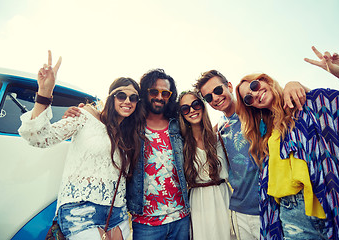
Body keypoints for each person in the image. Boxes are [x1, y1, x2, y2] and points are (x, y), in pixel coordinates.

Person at [18, 51, 145, 239]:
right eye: (121, 95)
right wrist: (45, 93)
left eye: (133, 98)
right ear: (110, 97)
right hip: (79, 209)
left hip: (116, 212)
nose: (127, 101)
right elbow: (39, 137)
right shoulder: (84, 116)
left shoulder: (130, 134)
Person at [235, 47, 339, 239]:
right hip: (291, 215)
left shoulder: (309, 104)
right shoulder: (265, 133)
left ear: (266, 80)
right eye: (248, 99)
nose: (255, 94)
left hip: (330, 203)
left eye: (254, 86)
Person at [194, 70, 306, 239]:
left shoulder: (256, 110)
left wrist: (293, 84)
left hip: (270, 206)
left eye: (218, 90)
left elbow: (280, 99)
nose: (215, 98)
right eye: (208, 97)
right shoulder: (219, 130)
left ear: (229, 86)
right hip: (240, 210)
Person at [126, 69, 190, 240]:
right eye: (154, 91)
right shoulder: (131, 124)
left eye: (165, 93)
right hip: (146, 223)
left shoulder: (178, 125)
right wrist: (88, 109)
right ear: (145, 92)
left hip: (180, 218)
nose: (160, 97)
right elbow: (108, 119)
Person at [178, 90, 232, 240]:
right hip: (198, 201)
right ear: (181, 114)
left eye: (195, 104)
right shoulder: (181, 144)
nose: (192, 110)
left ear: (202, 106)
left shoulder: (219, 136)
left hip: (223, 197)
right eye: (185, 108)